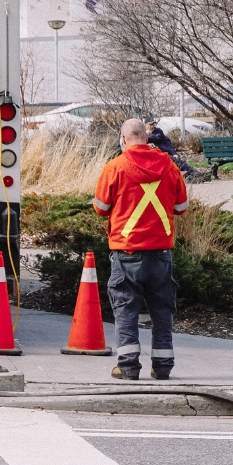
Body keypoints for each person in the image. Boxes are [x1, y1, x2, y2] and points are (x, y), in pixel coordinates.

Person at [93, 117, 189, 380]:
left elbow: (101, 208)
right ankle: (163, 366)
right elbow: (181, 208)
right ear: (145, 139)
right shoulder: (169, 166)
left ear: (123, 140)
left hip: (127, 253)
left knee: (126, 308)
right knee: (161, 310)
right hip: (160, 254)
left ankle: (127, 366)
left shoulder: (115, 167)